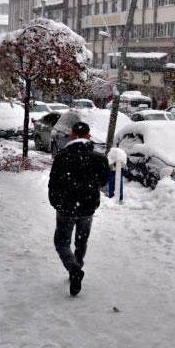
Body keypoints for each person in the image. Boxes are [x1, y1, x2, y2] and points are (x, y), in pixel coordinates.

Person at [47, 122, 110, 296]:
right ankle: (77, 267)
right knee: (81, 240)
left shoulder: (62, 157)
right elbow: (104, 182)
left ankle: (73, 269)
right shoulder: (99, 159)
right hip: (87, 208)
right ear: (88, 136)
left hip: (66, 209)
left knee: (61, 242)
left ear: (72, 135)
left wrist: (56, 203)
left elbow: (53, 184)